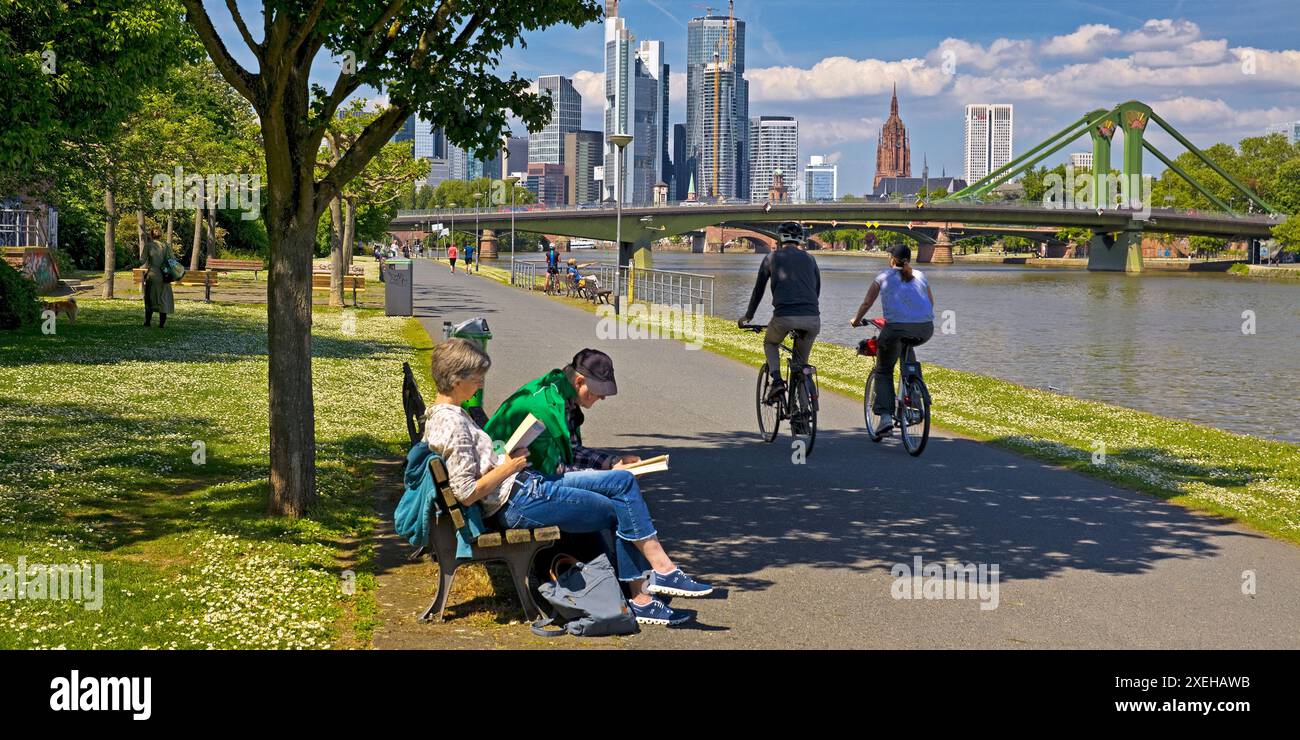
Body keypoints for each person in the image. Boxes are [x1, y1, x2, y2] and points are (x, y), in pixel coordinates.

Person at [431, 341, 711, 626]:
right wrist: (508, 467)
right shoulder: (452, 424)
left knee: (623, 483)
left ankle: (655, 580)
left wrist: (506, 459)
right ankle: (646, 592)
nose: (481, 383)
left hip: (526, 489)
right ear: (456, 379)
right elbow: (466, 492)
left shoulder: (451, 415)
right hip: (520, 498)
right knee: (622, 504)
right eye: (477, 377)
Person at [850, 244, 936, 435]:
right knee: (907, 350)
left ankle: (886, 418)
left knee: (883, 370)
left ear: (891, 259)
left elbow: (867, 303)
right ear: (909, 259)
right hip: (925, 328)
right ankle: (915, 401)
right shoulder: (920, 275)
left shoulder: (883, 276)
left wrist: (856, 320)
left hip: (896, 327)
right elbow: (930, 302)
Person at [738, 222, 821, 403]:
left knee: (770, 343)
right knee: (801, 363)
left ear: (780, 238)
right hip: (812, 318)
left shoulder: (771, 258)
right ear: (800, 240)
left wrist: (748, 316)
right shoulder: (810, 259)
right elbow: (817, 290)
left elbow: (758, 290)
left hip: (784, 317)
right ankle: (804, 414)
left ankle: (777, 381)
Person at [142, 226, 176, 328]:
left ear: (151, 235)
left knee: (150, 299)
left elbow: (142, 260)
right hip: (164, 276)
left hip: (152, 275)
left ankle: (147, 322)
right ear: (160, 235)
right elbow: (172, 261)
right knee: (163, 299)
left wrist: (129, 265)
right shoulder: (166, 246)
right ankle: (162, 324)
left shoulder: (148, 246)